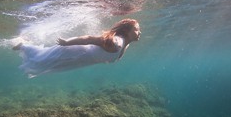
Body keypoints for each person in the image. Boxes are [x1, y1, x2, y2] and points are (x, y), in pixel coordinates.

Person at [13, 19, 142, 78]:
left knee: (46, 62)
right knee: (42, 59)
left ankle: (24, 45)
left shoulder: (125, 44)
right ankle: (22, 45)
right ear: (126, 31)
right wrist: (66, 42)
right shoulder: (117, 43)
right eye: (136, 29)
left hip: (81, 60)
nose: (139, 32)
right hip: (76, 52)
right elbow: (89, 38)